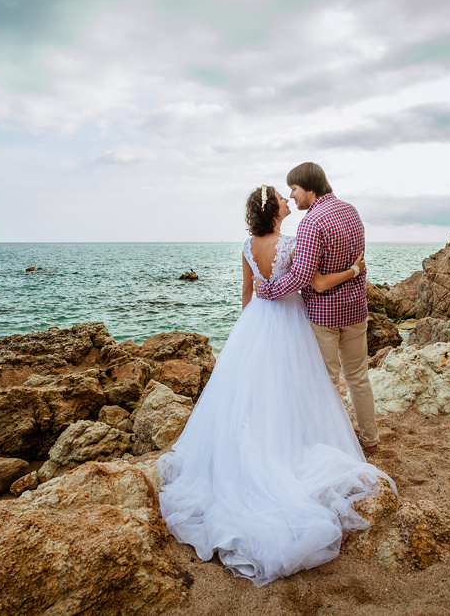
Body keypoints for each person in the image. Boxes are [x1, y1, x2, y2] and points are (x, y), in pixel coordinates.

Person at [157, 184, 393, 587]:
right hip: (289, 322)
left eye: (289, 195)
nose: (288, 200)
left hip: (257, 323)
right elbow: (305, 282)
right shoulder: (291, 242)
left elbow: (247, 296)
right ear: (274, 211)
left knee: (253, 393)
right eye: (282, 199)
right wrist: (352, 271)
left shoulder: (247, 246)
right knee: (299, 389)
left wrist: (250, 335)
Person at [255, 162, 380, 455]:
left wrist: (268, 290)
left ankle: (331, 444)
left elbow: (302, 277)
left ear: (309, 187)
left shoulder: (312, 222)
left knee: (325, 383)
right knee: (359, 378)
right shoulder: (351, 211)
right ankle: (371, 441)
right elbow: (358, 262)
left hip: (324, 316)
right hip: (356, 311)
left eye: (294, 189)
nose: (292, 196)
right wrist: (351, 272)